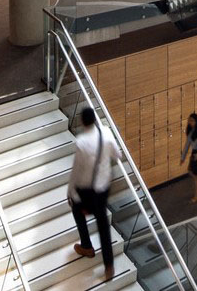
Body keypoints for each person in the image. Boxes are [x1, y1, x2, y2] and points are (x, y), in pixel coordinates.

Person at [68, 106, 121, 277]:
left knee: (77, 210)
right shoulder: (106, 132)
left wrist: (70, 192)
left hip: (88, 191)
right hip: (104, 188)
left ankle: (86, 246)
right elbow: (118, 154)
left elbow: (76, 171)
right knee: (103, 226)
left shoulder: (82, 142)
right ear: (95, 120)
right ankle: (109, 267)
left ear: (83, 122)